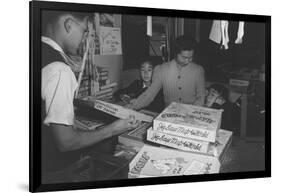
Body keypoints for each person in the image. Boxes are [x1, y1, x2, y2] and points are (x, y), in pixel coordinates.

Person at [41, 11, 139, 172]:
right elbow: (66, 142)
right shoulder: (59, 70)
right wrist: (113, 129)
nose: (85, 39)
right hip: (51, 169)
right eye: (85, 31)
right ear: (68, 25)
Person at [127, 35, 206, 110]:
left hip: (191, 115)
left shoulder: (198, 70)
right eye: (184, 57)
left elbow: (201, 98)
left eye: (191, 57)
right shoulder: (162, 70)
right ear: (175, 54)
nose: (188, 61)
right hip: (169, 115)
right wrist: (135, 105)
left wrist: (191, 112)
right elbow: (150, 94)